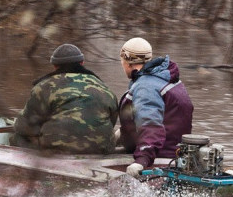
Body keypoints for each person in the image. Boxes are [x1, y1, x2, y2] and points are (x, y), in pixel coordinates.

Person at [13, 43, 118, 154]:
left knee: (18, 137)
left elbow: (24, 126)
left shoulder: (44, 87)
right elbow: (112, 120)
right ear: (82, 63)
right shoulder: (104, 87)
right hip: (102, 149)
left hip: (57, 150)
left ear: (55, 66)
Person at [117, 37, 193, 177]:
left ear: (127, 62)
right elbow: (165, 118)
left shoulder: (146, 87)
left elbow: (151, 126)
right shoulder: (165, 79)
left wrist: (141, 160)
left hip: (158, 161)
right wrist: (121, 134)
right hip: (176, 158)